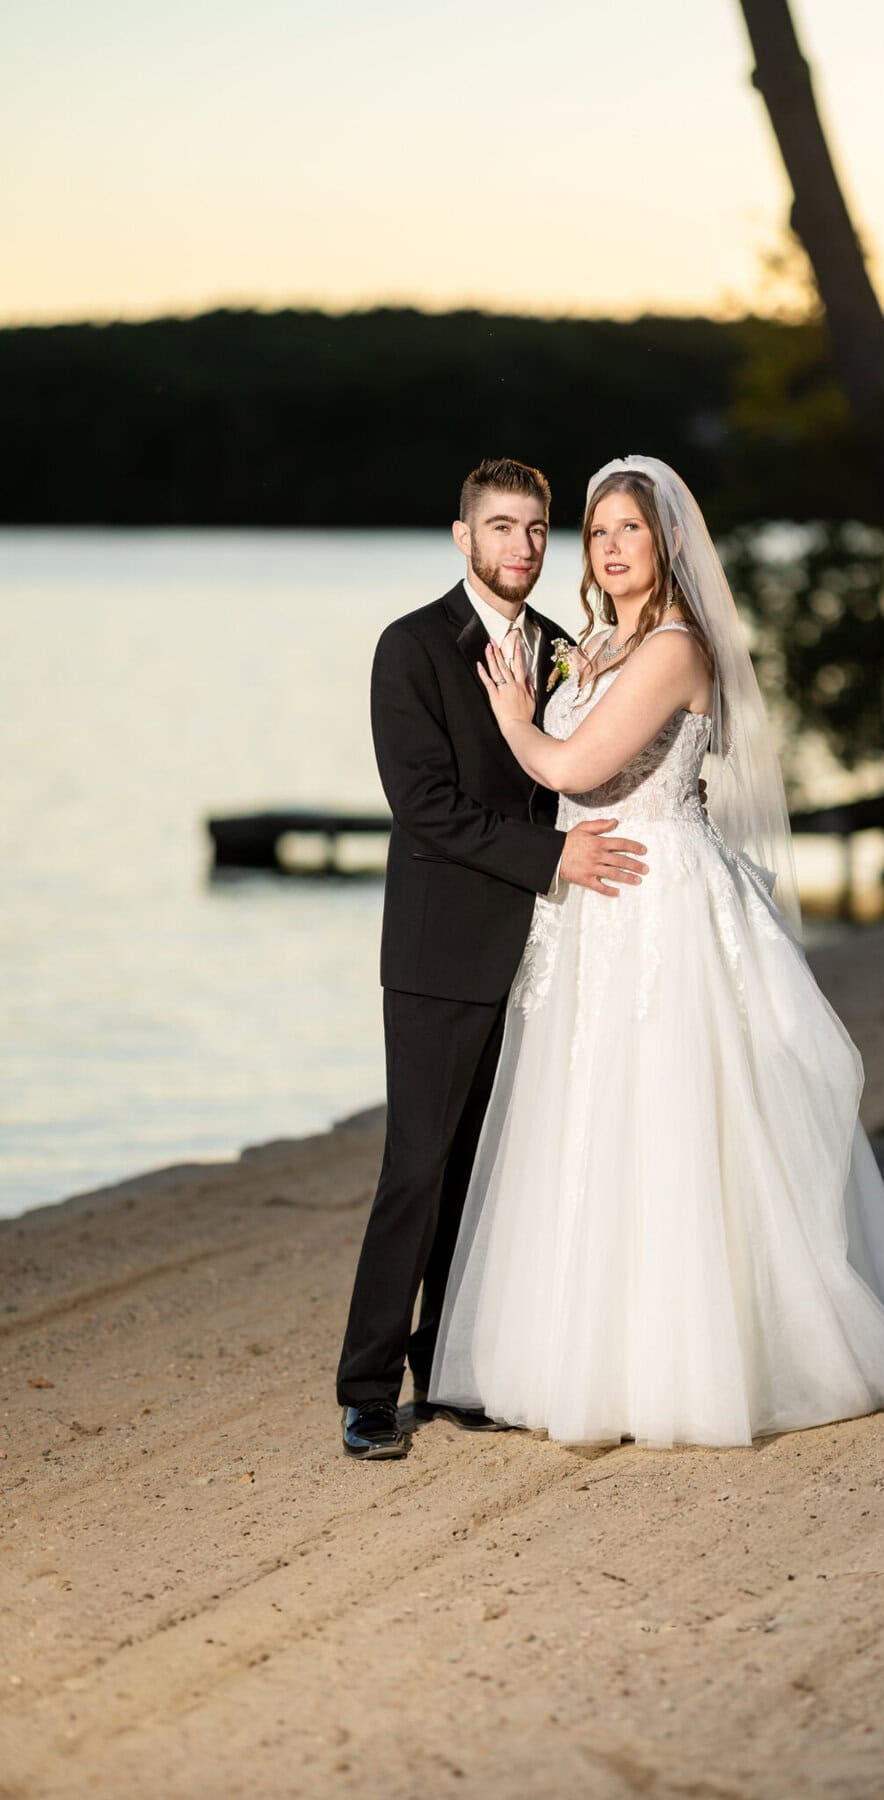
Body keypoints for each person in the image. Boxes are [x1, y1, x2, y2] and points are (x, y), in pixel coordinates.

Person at [428, 455, 884, 1448]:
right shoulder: (597, 643)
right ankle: (587, 1360)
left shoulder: (676, 648)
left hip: (658, 901)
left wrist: (513, 720)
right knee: (590, 1118)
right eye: (597, 531)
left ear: (669, 541)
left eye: (629, 529)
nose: (610, 547)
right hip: (593, 905)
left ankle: (690, 1366)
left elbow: (573, 767)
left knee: (672, 1120)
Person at [336, 457, 651, 1458]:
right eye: (501, 526)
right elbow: (424, 806)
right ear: (463, 536)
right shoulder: (412, 647)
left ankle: (452, 1368)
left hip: (547, 948)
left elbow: (582, 773)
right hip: (441, 949)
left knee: (491, 1172)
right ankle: (368, 1389)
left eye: (535, 528)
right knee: (419, 1167)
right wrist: (551, 857)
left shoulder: (562, 648)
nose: (521, 545)